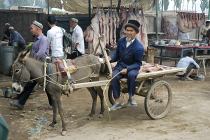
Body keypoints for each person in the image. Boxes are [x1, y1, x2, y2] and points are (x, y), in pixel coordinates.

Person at [10, 20, 51, 109]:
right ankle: (20, 101)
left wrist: (29, 61)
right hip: (35, 66)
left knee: (46, 85)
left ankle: (20, 102)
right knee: (31, 84)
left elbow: (41, 53)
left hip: (42, 66)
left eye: (32, 28)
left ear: (38, 29)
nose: (30, 30)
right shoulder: (36, 39)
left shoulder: (43, 39)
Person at [109, 20, 144, 111]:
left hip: (132, 66)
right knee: (114, 76)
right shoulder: (121, 41)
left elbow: (138, 63)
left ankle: (131, 97)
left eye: (131, 31)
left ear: (136, 33)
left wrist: (128, 69)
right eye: (127, 30)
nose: (128, 32)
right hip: (120, 66)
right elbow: (116, 55)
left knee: (131, 75)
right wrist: (110, 59)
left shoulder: (139, 47)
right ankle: (117, 102)